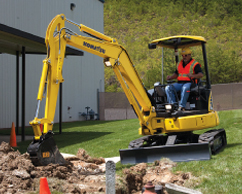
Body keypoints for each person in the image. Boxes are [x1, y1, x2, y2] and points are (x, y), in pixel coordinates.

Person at [165, 47, 203, 111]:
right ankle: (173, 105)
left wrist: (192, 75)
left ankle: (181, 106)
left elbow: (201, 75)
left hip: (190, 83)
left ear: (189, 55)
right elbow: (176, 74)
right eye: (182, 55)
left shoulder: (195, 64)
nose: (184, 57)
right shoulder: (180, 64)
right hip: (179, 83)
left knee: (185, 88)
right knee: (168, 88)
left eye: (185, 55)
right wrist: (170, 77)